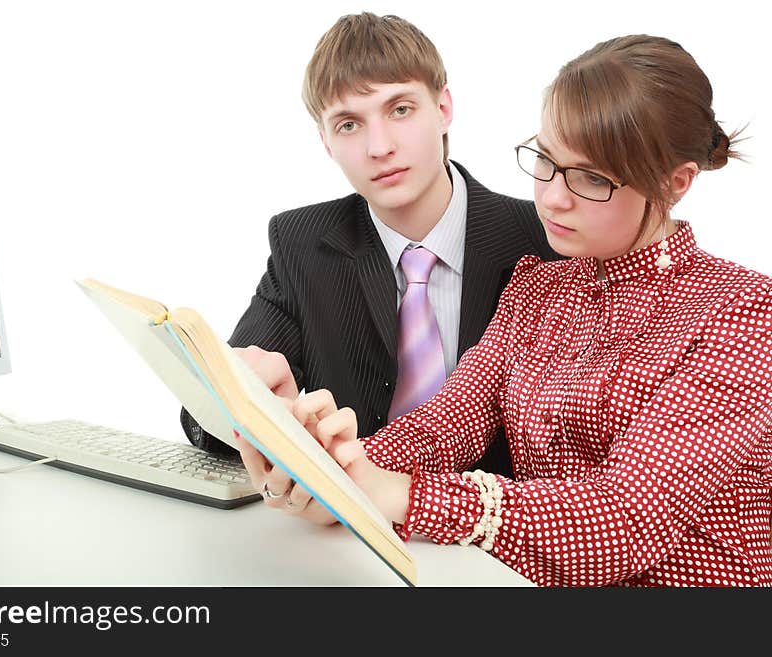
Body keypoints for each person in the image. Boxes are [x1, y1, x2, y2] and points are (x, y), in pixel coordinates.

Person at [237, 34, 772, 587]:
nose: (553, 197)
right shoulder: (536, 287)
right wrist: (336, 462)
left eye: (592, 178)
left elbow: (623, 519)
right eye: (545, 160)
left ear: (675, 182)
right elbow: (448, 422)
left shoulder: (742, 312)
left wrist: (399, 492)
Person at [180, 12, 559, 478]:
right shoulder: (302, 245)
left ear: (443, 108)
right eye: (348, 125)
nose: (379, 147)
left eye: (400, 109)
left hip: (504, 538)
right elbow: (204, 423)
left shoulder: (545, 239)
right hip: (350, 534)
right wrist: (238, 402)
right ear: (325, 142)